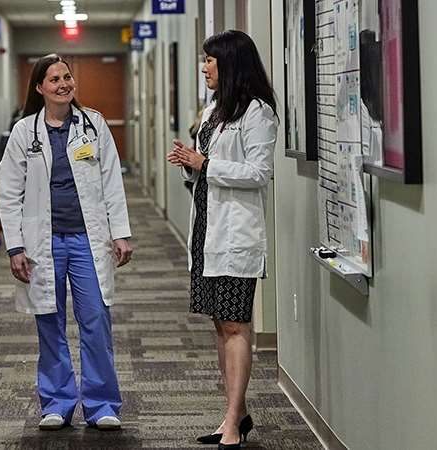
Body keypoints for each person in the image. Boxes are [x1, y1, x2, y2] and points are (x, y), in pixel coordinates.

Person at [0, 53, 133, 431]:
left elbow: (111, 182)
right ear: (39, 87)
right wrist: (15, 247)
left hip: (88, 240)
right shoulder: (26, 132)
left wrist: (120, 233)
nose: (63, 84)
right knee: (50, 322)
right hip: (44, 244)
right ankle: (56, 402)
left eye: (67, 77)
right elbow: (8, 193)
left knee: (95, 320)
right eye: (54, 79)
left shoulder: (94, 125)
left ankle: (102, 404)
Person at [167, 30, 278, 450]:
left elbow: (257, 173)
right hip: (206, 229)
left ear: (231, 63)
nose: (204, 67)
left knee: (235, 324)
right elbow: (204, 169)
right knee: (221, 325)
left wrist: (205, 162)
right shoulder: (215, 110)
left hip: (235, 235)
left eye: (210, 61)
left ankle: (232, 422)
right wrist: (190, 165)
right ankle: (237, 411)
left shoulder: (258, 113)